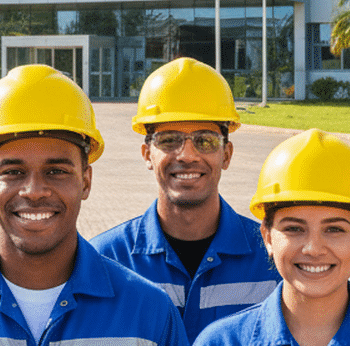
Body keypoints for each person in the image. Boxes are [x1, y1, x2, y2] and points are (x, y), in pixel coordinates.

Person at [0, 64, 189, 346]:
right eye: (13, 172)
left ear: (85, 181)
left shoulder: (150, 317)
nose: (33, 191)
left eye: (56, 171)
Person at [92, 57, 278, 341]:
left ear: (226, 155)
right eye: (169, 140)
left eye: (205, 140)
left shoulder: (273, 259)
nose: (187, 155)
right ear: (147, 155)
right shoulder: (105, 260)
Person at [196, 128, 350, 346]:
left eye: (334, 229)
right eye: (294, 229)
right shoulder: (222, 341)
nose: (313, 248)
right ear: (267, 238)